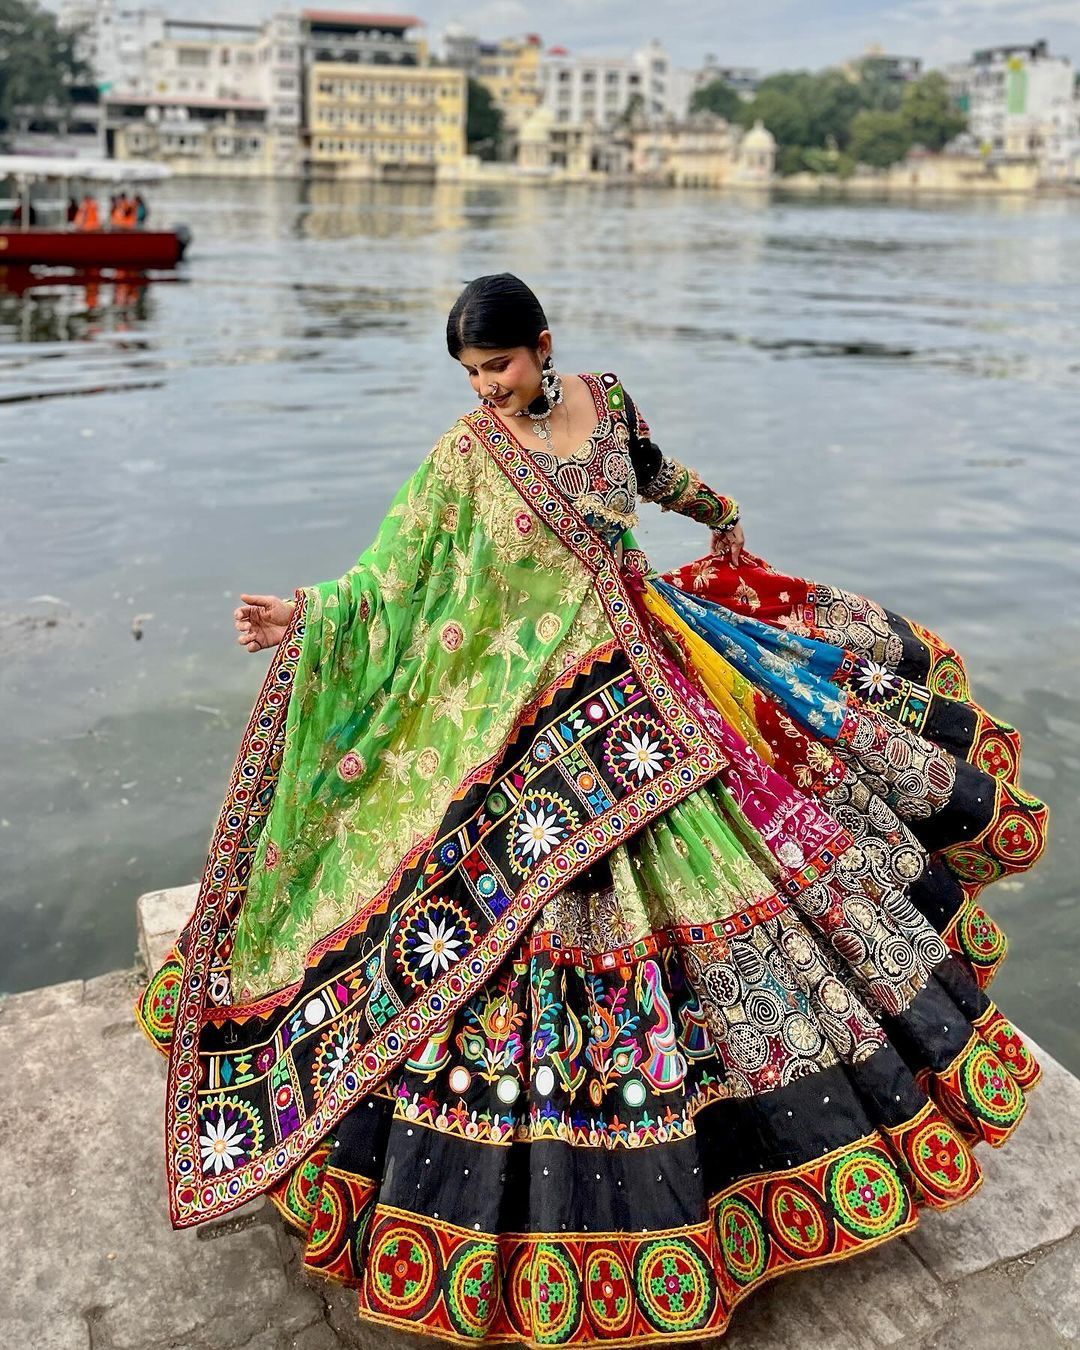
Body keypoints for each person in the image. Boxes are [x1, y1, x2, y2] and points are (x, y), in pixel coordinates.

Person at [136, 272, 1048, 1345]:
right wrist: (309, 613)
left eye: (500, 367)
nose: (485, 390)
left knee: (770, 865)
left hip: (658, 675)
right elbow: (398, 578)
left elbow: (659, 477)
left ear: (543, 346)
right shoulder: (466, 457)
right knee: (522, 910)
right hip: (545, 708)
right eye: (472, 376)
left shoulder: (608, 406)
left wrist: (721, 520)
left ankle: (789, 1149)